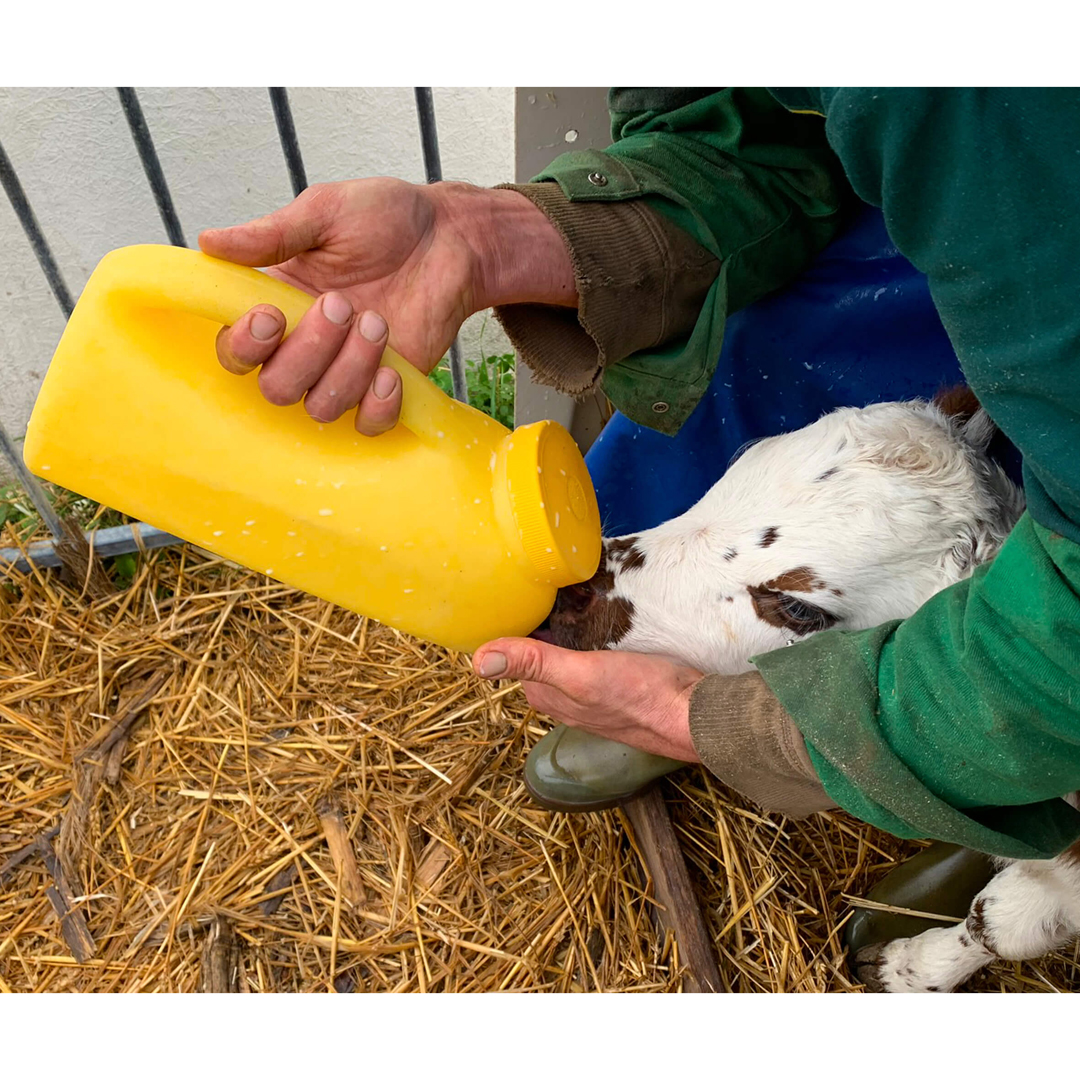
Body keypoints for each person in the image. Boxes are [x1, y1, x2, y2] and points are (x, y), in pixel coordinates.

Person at [200, 89, 1080, 881]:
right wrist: (490, 236)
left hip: (1037, 246)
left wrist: (735, 727)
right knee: (752, 357)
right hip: (917, 221)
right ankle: (684, 652)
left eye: (799, 613)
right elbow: (743, 130)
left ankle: (995, 814)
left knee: (1011, 696)